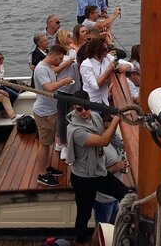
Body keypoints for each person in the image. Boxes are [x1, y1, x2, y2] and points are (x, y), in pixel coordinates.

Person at [67, 90, 130, 245]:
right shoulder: (75, 130)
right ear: (73, 109)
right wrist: (116, 120)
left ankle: (122, 229)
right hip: (83, 179)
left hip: (99, 172)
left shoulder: (95, 117)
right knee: (84, 214)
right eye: (79, 109)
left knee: (126, 195)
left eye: (86, 108)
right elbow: (102, 141)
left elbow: (104, 132)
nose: (83, 112)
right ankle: (80, 241)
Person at [33, 44, 75, 187]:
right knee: (44, 145)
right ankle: (41, 174)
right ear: (53, 56)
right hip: (44, 112)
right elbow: (49, 88)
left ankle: (46, 167)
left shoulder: (48, 68)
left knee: (49, 143)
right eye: (60, 58)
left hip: (51, 111)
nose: (61, 61)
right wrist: (64, 81)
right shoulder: (41, 69)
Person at [93, 116, 128, 224]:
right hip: (103, 199)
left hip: (114, 196)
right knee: (102, 229)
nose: (110, 131)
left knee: (114, 224)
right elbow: (95, 175)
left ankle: (113, 240)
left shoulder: (115, 139)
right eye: (106, 128)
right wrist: (116, 167)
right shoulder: (98, 146)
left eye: (113, 127)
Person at [80, 38, 132, 106]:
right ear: (98, 51)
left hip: (105, 99)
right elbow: (95, 86)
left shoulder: (108, 58)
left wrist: (125, 67)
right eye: (105, 49)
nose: (107, 51)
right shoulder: (86, 65)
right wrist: (109, 69)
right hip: (92, 101)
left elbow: (130, 65)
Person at [54, 30, 81, 161]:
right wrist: (65, 64)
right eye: (69, 36)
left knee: (74, 115)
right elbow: (52, 69)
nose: (71, 37)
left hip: (75, 88)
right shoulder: (57, 54)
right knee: (62, 117)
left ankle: (72, 141)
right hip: (63, 89)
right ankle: (62, 144)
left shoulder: (74, 51)